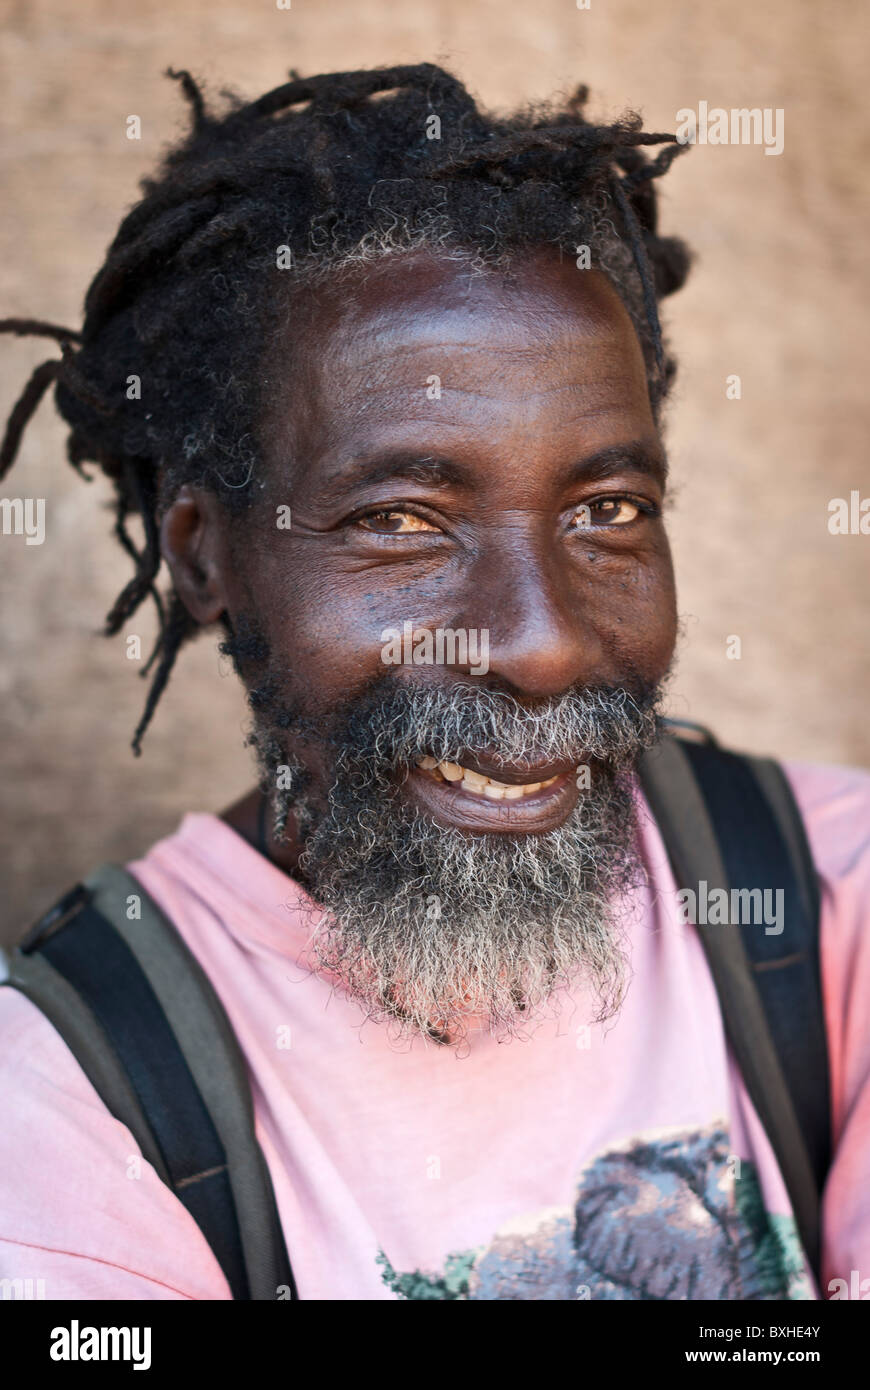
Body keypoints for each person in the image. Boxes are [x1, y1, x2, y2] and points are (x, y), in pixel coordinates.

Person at [1, 62, 867, 1302]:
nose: (542, 644)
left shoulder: (827, 905)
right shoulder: (76, 1103)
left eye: (607, 510)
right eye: (403, 520)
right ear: (207, 557)